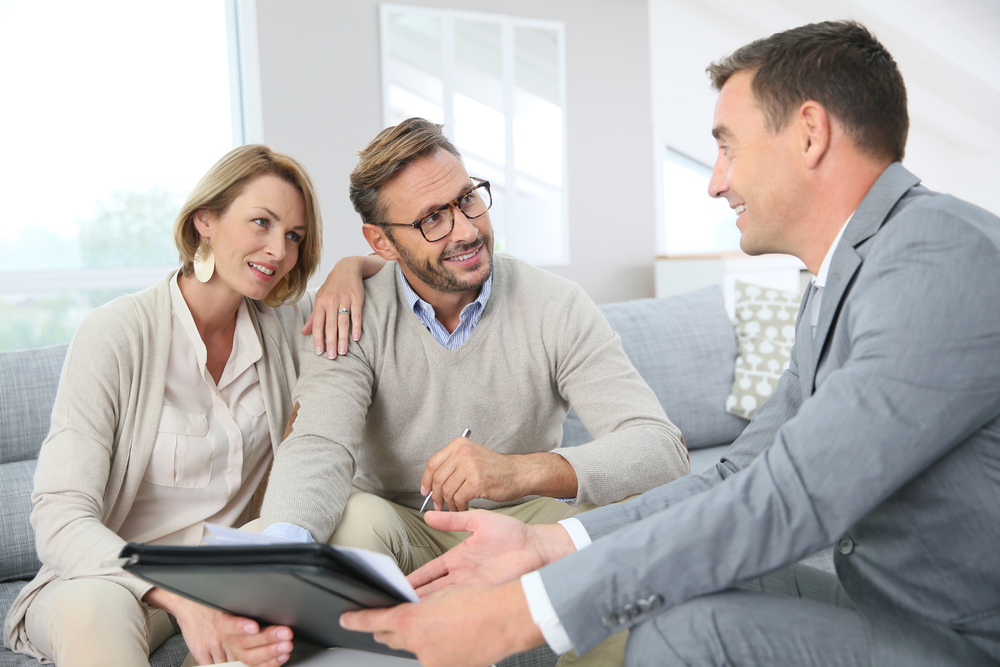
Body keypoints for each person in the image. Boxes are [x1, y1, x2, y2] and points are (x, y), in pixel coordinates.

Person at [220, 20, 1000, 667]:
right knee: (671, 606)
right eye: (430, 218)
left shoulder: (937, 260)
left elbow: (789, 497)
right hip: (898, 605)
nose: (714, 180)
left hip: (959, 634)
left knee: (677, 633)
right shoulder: (842, 277)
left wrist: (530, 605)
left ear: (809, 133)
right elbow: (739, 470)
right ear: (380, 242)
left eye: (728, 144)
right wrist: (556, 544)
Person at [253, 117, 689, 574]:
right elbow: (319, 441)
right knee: (350, 519)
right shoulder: (350, 311)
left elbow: (660, 446)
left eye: (467, 200)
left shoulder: (556, 304)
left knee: (647, 511)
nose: (465, 230)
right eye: (432, 219)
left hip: (529, 524)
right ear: (381, 241)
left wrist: (520, 472)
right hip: (402, 527)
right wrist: (281, 551)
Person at [3, 144, 328, 667]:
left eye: (294, 236)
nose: (278, 251)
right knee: (93, 610)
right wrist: (178, 595)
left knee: (266, 614)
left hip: (226, 573)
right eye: (261, 223)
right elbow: (60, 517)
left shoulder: (289, 326)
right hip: (111, 577)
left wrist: (354, 267)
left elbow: (388, 282)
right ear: (206, 221)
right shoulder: (116, 334)